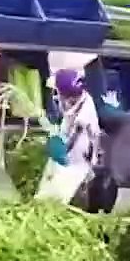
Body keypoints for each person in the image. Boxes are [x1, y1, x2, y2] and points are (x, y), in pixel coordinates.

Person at [34, 69, 101, 205]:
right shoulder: (80, 98)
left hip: (75, 163)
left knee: (54, 199)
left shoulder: (83, 114)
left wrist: (58, 143)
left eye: (58, 91)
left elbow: (72, 140)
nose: (57, 95)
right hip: (73, 157)